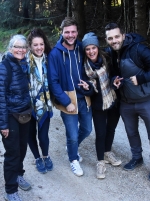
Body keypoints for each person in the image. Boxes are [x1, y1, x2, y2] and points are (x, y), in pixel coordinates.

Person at [104, 23, 150, 183]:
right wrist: (114, 81)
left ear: (123, 36)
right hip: (126, 102)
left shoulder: (138, 49)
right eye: (110, 38)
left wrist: (142, 78)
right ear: (107, 40)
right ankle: (137, 157)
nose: (114, 41)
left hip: (147, 100)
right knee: (131, 132)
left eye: (116, 37)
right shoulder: (110, 53)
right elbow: (112, 74)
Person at [48, 17, 93, 177]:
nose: (70, 35)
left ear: (77, 32)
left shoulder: (82, 48)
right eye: (67, 32)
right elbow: (53, 82)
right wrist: (66, 102)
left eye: (73, 31)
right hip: (68, 101)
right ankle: (73, 159)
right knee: (72, 135)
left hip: (84, 99)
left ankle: (71, 146)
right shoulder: (55, 54)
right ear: (62, 33)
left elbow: (90, 69)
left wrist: (89, 85)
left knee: (87, 129)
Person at [0, 34, 31, 201]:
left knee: (22, 148)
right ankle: (10, 190)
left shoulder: (23, 65)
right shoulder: (3, 68)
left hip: (24, 114)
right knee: (12, 153)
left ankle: (19, 174)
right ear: (10, 48)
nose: (20, 50)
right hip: (10, 116)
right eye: (17, 47)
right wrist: (3, 125)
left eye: (23, 47)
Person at [82, 32, 122, 179]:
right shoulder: (84, 66)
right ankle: (100, 162)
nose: (91, 51)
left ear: (98, 47)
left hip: (112, 99)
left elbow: (113, 75)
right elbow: (88, 87)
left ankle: (107, 152)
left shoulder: (107, 59)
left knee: (111, 128)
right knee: (100, 133)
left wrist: (114, 81)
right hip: (98, 104)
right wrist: (87, 88)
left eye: (93, 48)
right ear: (85, 51)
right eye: (88, 49)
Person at [26, 28, 54, 174]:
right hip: (28, 106)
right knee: (30, 134)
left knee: (43, 135)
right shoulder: (23, 61)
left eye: (41, 44)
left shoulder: (49, 60)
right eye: (35, 45)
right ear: (30, 46)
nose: (39, 47)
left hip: (44, 104)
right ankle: (37, 158)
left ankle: (46, 155)